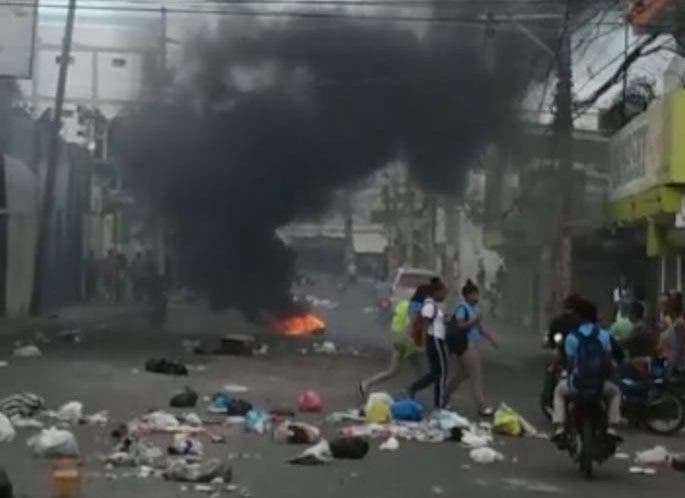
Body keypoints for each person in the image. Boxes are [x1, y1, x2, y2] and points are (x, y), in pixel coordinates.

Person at [552, 299, 621, 442]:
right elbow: (608, 360)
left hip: (577, 386)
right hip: (599, 386)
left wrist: (570, 378)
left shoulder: (572, 336)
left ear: (579, 317)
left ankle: (560, 426)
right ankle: (612, 427)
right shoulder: (604, 335)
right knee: (615, 393)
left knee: (559, 391)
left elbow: (570, 364)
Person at [445, 279, 498, 416]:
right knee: (476, 375)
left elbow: (479, 329)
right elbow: (460, 325)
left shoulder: (475, 309)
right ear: (467, 296)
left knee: (461, 375)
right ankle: (481, 406)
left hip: (472, 344)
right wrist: (474, 321)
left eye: (477, 294)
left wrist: (491, 340)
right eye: (474, 294)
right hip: (465, 345)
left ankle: (443, 396)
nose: (476, 297)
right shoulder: (462, 308)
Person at [359, 298, 423, 397]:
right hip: (405, 341)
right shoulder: (417, 307)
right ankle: (367, 383)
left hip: (398, 338)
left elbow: (393, 318)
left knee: (412, 368)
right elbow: (411, 324)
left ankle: (367, 383)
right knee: (397, 370)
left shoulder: (403, 304)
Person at [407, 280, 449, 409]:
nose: (445, 295)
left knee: (436, 372)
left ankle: (414, 388)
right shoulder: (429, 306)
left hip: (436, 340)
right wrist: (423, 346)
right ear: (436, 292)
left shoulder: (432, 305)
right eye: (443, 293)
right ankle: (440, 403)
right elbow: (425, 326)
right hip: (434, 340)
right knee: (442, 372)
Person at [665, 292, 685, 378]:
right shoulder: (673, 323)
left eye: (669, 301)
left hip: (678, 368)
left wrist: (670, 370)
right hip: (672, 365)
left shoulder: (679, 324)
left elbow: (679, 348)